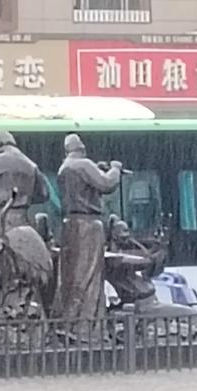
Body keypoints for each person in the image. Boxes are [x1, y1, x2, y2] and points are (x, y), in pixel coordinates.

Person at [55, 135, 123, 325]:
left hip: (70, 225)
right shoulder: (83, 164)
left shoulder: (65, 167)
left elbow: (86, 186)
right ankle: (88, 324)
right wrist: (115, 169)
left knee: (74, 275)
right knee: (90, 274)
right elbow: (106, 184)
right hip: (88, 225)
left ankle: (72, 320)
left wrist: (97, 170)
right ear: (82, 149)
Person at [0, 131, 49, 240]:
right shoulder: (32, 165)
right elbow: (43, 194)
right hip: (23, 221)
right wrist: (25, 196)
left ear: (0, 145)